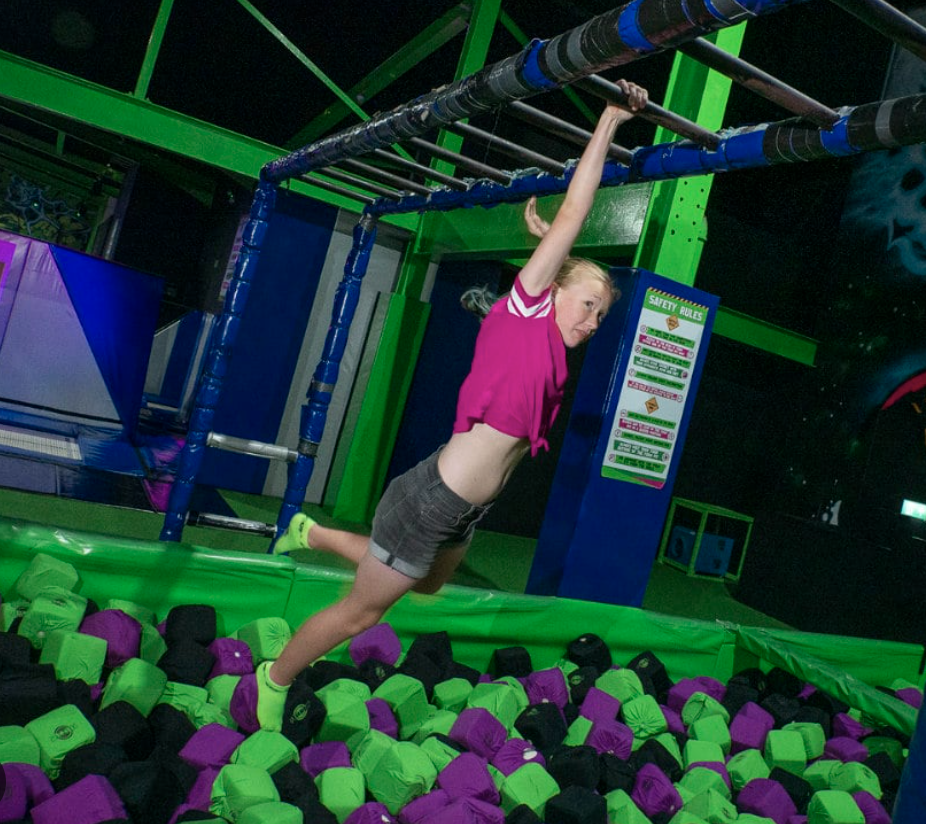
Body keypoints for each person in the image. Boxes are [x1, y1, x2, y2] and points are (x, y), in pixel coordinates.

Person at [256, 80, 649, 731]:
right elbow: (578, 215)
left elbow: (567, 256)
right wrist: (609, 119)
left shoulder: (549, 344)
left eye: (602, 315)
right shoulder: (523, 313)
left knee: (429, 585)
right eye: (587, 306)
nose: (593, 321)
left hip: (467, 506)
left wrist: (556, 245)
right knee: (364, 612)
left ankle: (314, 534)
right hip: (434, 497)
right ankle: (273, 680)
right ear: (549, 291)